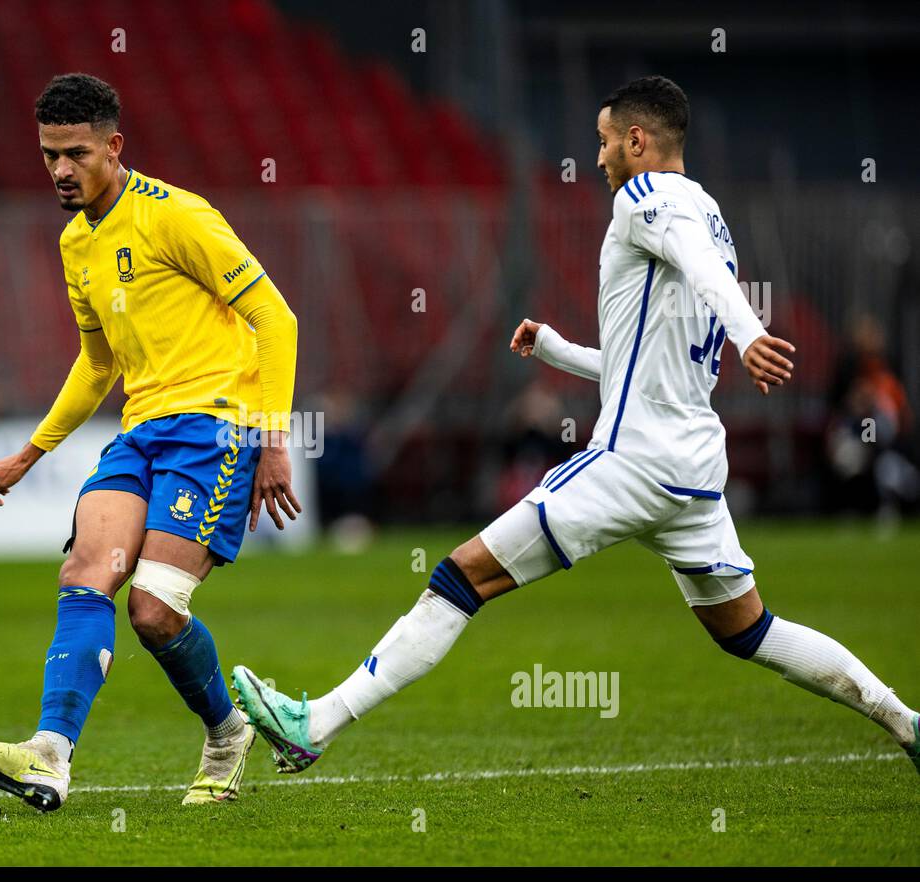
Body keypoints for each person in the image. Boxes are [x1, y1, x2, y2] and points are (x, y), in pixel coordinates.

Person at [233, 76, 919, 782]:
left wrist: (748, 335)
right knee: (750, 631)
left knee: (459, 576)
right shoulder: (713, 215)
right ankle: (907, 722)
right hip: (692, 472)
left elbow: (706, 275)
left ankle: (312, 725)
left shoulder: (645, 198)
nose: (596, 159)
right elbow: (646, 363)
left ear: (637, 141)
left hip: (632, 462)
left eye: (602, 141)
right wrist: (559, 349)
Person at [0, 73, 300, 811]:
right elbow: (99, 362)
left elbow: (276, 318)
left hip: (216, 426)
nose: (61, 171)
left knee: (154, 610)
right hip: (140, 433)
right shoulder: (76, 242)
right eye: (48, 156)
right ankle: (49, 754)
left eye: (75, 153)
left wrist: (273, 438)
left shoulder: (179, 218)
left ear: (114, 147)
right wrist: (29, 453)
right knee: (85, 573)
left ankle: (228, 734)